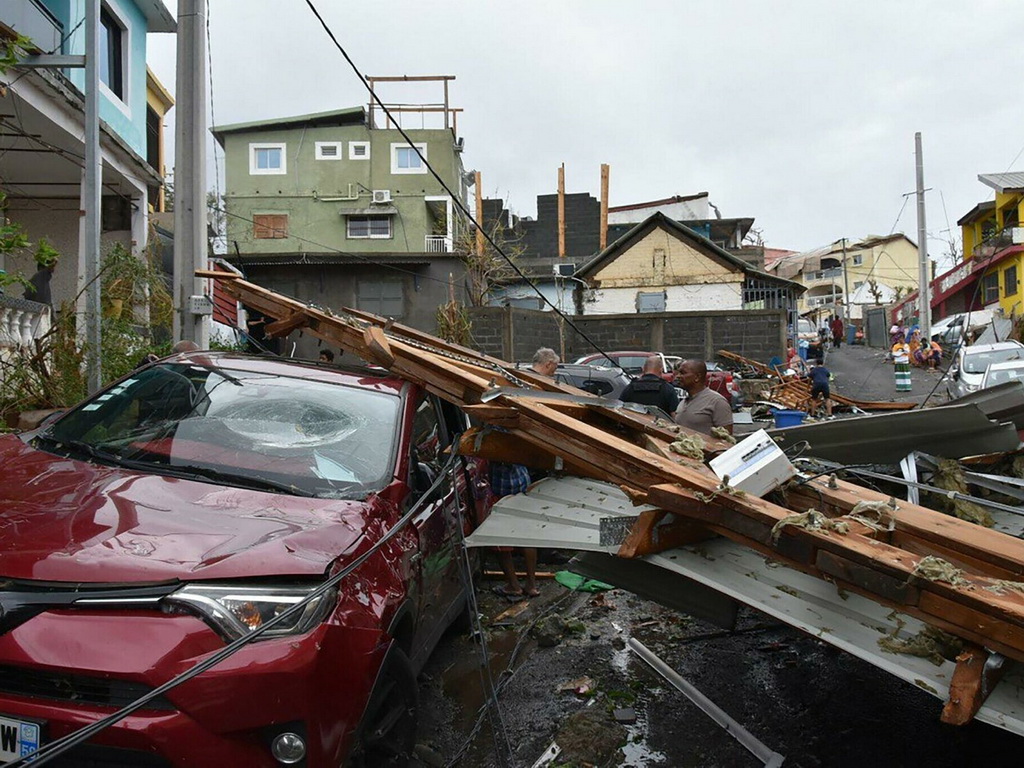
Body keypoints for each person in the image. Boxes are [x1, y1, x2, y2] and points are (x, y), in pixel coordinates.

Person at [491, 346, 558, 600]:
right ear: (549, 364)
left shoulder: (514, 392)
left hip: (504, 480)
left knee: (501, 537)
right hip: (521, 475)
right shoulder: (532, 387)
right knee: (526, 532)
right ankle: (531, 584)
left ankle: (514, 586)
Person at [673, 359, 733, 435]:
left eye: (683, 373)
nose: (678, 376)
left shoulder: (717, 402)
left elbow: (727, 441)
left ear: (697, 377)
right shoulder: (682, 403)